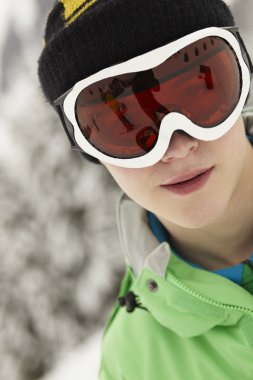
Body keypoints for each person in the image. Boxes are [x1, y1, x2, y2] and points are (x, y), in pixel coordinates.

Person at [38, 0, 253, 379]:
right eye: (124, 122)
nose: (177, 146)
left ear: (241, 75)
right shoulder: (134, 364)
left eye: (201, 90)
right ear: (91, 148)